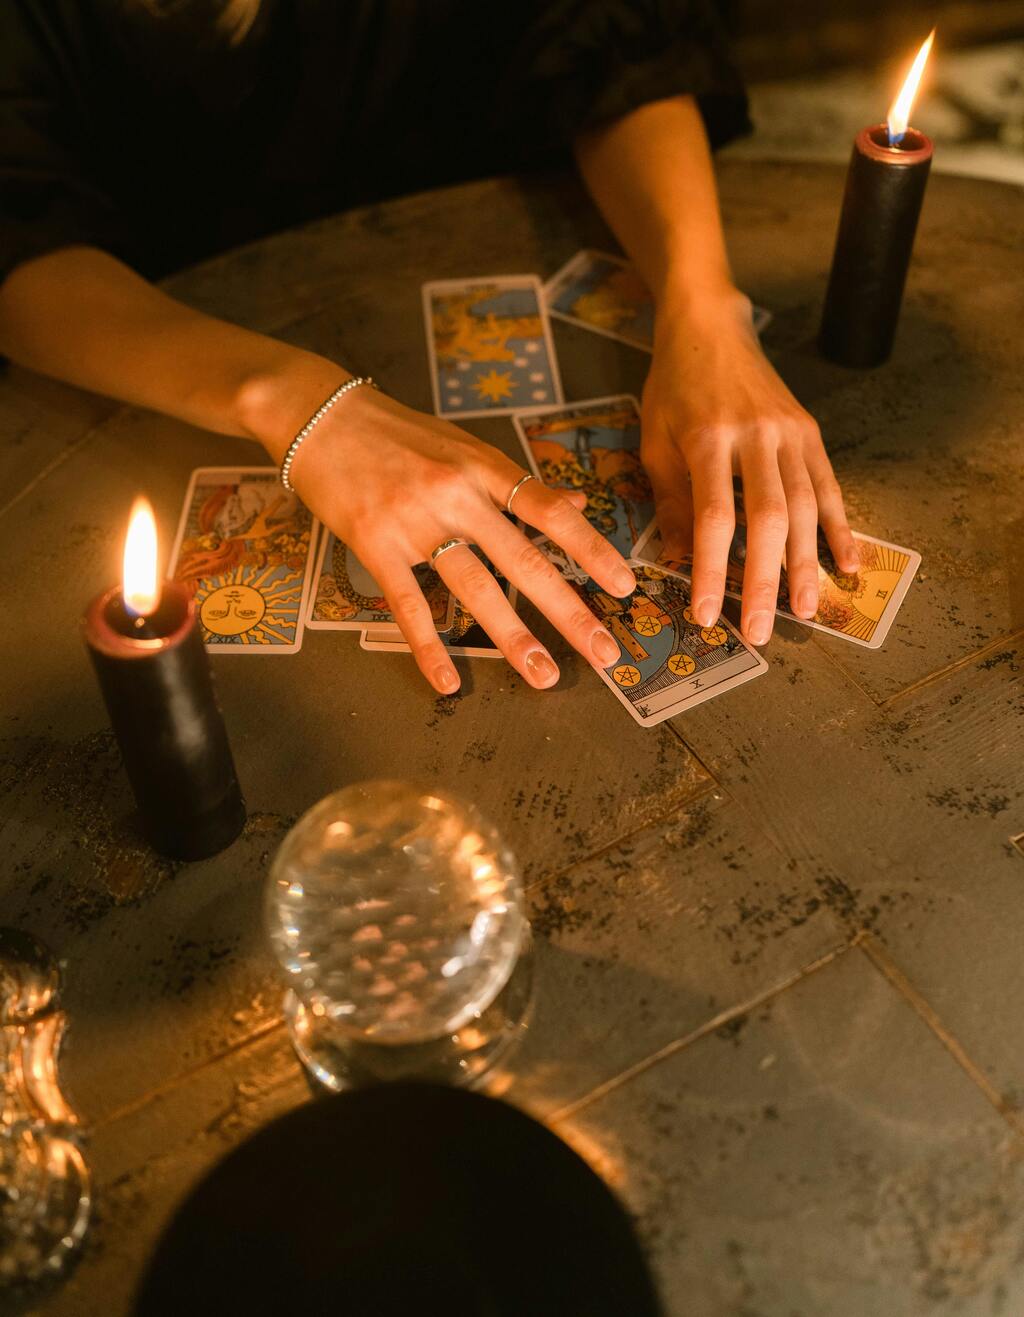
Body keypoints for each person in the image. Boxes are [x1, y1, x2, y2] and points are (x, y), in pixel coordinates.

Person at [0, 0, 859, 695]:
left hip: (485, 214)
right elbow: (24, 247)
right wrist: (294, 400)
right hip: (155, 332)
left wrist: (702, 303)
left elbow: (616, 40)